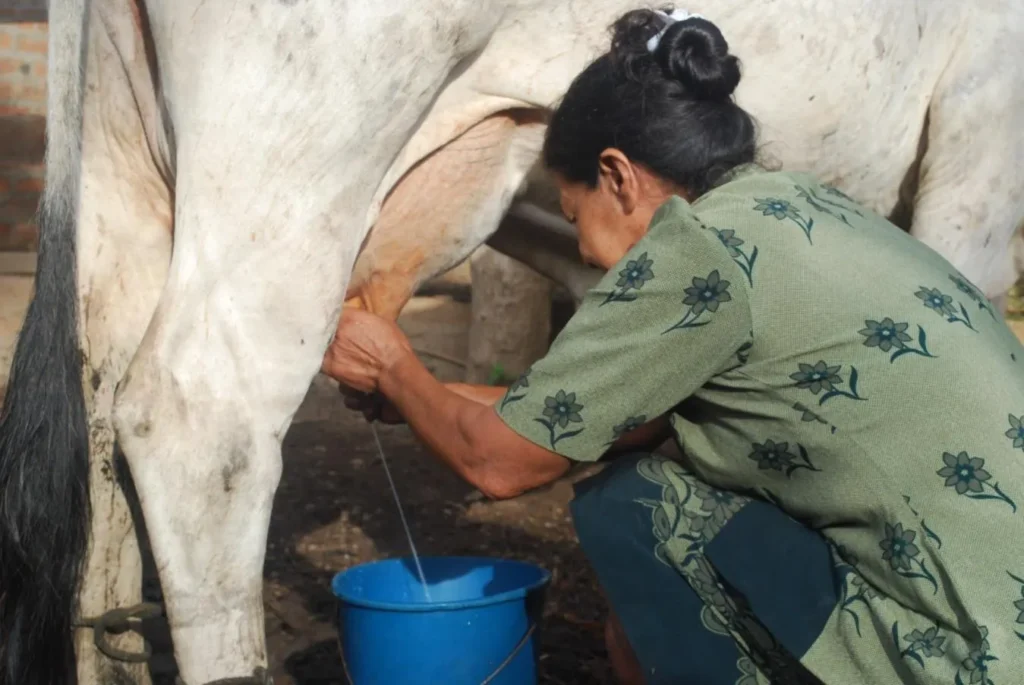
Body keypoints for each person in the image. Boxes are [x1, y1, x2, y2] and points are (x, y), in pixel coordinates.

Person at [321, 7, 1024, 684]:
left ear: (617, 176)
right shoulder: (797, 204)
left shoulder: (693, 254)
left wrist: (394, 363)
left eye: (574, 214)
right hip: (1000, 604)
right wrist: (417, 398)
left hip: (969, 651)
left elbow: (502, 462)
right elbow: (599, 414)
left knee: (635, 505)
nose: (585, 252)